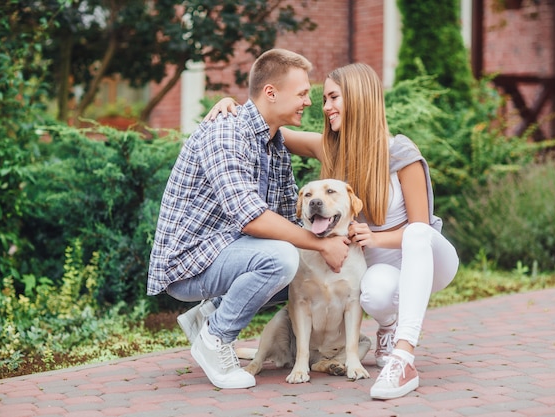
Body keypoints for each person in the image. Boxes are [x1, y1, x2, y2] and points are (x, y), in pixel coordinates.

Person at [206, 62, 459, 399]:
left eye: (333, 98)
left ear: (358, 98)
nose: (325, 108)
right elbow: (270, 125)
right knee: (371, 292)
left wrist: (375, 237)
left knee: (415, 235)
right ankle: (387, 327)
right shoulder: (332, 150)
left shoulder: (401, 152)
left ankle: (403, 356)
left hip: (428, 258)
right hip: (382, 267)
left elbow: (422, 227)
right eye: (324, 99)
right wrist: (233, 108)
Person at [147, 49, 351, 390]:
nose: (309, 102)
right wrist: (322, 244)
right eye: (302, 93)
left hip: (227, 251)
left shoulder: (274, 143)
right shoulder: (226, 133)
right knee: (283, 258)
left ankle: (209, 314)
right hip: (190, 263)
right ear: (270, 92)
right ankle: (214, 339)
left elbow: (287, 218)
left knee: (302, 267)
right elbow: (250, 218)